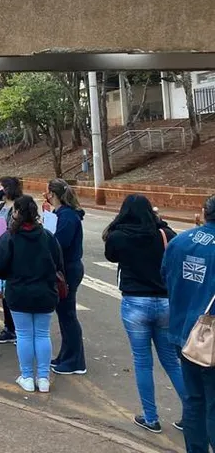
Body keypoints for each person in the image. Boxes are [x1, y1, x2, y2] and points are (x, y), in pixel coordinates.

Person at [104, 194, 185, 433]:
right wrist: (159, 222)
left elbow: (110, 253)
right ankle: (192, 413)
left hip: (135, 302)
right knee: (171, 361)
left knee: (142, 362)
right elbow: (174, 246)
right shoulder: (163, 234)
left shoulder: (119, 236)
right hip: (164, 302)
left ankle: (151, 417)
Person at [0, 195, 63, 394]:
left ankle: (27, 377)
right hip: (45, 292)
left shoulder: (9, 237)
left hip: (18, 292)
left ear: (16, 213)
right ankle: (43, 378)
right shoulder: (48, 237)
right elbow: (58, 264)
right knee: (42, 334)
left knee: (24, 334)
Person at [163, 195, 215, 452]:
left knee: (194, 401)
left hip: (183, 332)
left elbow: (166, 277)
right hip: (210, 338)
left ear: (204, 212)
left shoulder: (181, 240)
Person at [47, 178, 87, 376]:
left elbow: (58, 243)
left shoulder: (67, 217)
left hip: (69, 269)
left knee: (68, 314)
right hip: (67, 268)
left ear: (53, 195)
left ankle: (75, 360)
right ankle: (66, 354)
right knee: (63, 314)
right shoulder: (62, 214)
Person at [0, 176, 23, 344]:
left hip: (15, 253)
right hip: (1, 251)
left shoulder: (20, 206)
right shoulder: (0, 207)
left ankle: (18, 329)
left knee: (14, 293)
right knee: (4, 294)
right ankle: (9, 328)